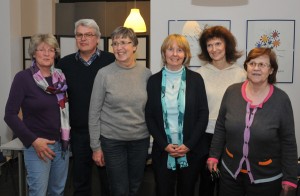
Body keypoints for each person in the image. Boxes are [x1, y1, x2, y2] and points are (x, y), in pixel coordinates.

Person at [207, 47, 298, 196]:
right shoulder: (231, 92)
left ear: (271, 70)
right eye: (252, 63)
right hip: (230, 175)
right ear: (246, 67)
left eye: (262, 65)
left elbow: (288, 142)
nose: (256, 68)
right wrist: (213, 155)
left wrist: (290, 177)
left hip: (266, 179)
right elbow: (221, 127)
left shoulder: (281, 100)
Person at [89, 26, 152, 196]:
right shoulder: (104, 74)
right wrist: (96, 147)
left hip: (140, 141)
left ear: (135, 46)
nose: (119, 47)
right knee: (119, 189)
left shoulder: (146, 74)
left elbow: (151, 111)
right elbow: (93, 113)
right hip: (112, 141)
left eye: (124, 42)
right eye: (115, 43)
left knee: (135, 186)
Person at [4, 33, 70, 196]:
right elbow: (10, 115)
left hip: (62, 145)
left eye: (51, 50)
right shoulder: (23, 78)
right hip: (38, 147)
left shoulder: (60, 77)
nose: (47, 54)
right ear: (34, 53)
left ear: (55, 53)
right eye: (42, 50)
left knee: (57, 191)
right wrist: (34, 141)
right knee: (38, 192)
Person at [56, 19, 115, 196]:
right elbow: (57, 99)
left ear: (97, 38)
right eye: (79, 35)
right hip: (79, 132)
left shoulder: (111, 61)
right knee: (80, 182)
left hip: (106, 131)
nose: (83, 38)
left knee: (108, 181)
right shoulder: (64, 64)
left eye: (88, 34)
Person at [145, 34, 209, 196]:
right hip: (162, 149)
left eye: (180, 50)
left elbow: (203, 114)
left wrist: (188, 145)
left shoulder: (196, 79)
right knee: (163, 190)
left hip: (190, 149)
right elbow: (150, 116)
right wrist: (164, 144)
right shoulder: (153, 81)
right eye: (170, 49)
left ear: (186, 54)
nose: (175, 54)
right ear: (163, 53)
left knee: (186, 191)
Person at [196, 25, 247, 195]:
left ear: (227, 46)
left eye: (218, 44)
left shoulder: (241, 74)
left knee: (227, 182)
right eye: (209, 45)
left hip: (231, 136)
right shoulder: (200, 74)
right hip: (204, 135)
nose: (214, 49)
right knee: (207, 181)